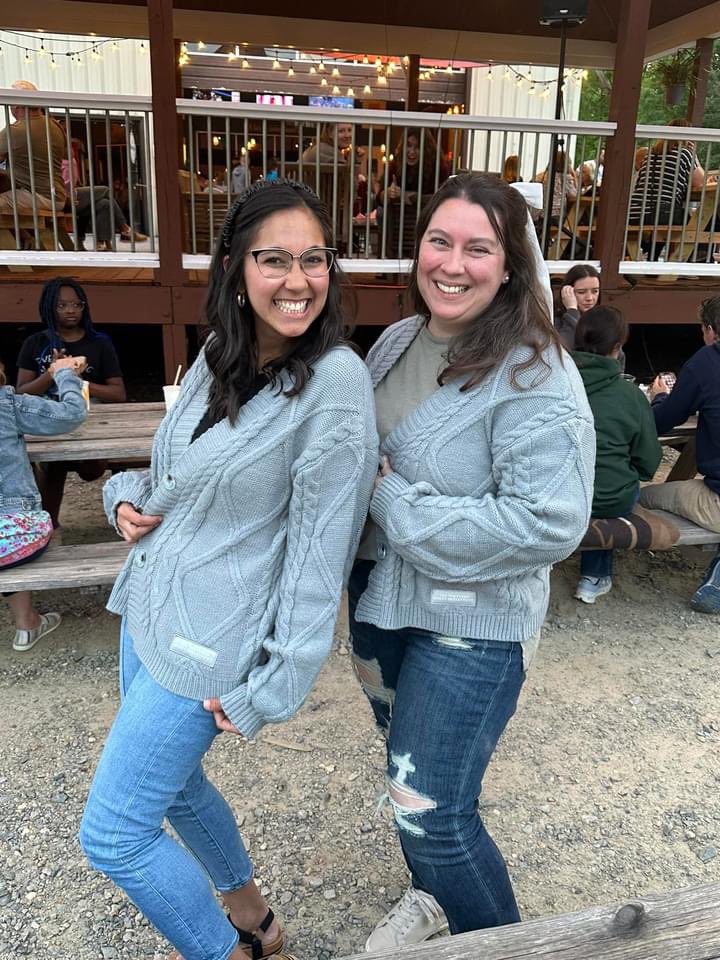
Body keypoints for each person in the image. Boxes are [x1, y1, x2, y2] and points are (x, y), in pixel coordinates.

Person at [78, 179, 378, 960]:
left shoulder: (336, 384)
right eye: (274, 259)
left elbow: (321, 553)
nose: (298, 280)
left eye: (314, 260)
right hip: (147, 606)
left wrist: (276, 685)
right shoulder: (221, 353)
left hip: (208, 645)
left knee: (113, 834)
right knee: (174, 790)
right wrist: (123, 500)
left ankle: (227, 951)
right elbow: (172, 473)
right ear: (236, 269)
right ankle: (257, 923)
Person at [348, 173, 595, 951]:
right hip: (380, 604)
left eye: (478, 248)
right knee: (412, 777)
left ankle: (498, 942)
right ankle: (432, 900)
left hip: (472, 627)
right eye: (439, 241)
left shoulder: (536, 374)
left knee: (430, 809)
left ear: (512, 263)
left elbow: (549, 522)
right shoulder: (398, 340)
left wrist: (395, 505)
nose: (452, 264)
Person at [16, 277, 126, 527]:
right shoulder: (36, 343)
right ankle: (48, 526)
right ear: (49, 308)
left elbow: (118, 393)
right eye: (62, 305)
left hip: (88, 416)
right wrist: (54, 372)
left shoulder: (98, 343)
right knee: (54, 462)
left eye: (77, 305)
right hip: (49, 418)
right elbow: (22, 392)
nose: (70, 311)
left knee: (90, 467)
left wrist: (77, 382)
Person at [572, 306, 662, 603]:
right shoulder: (631, 396)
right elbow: (648, 462)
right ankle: (593, 576)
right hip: (609, 498)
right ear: (617, 347)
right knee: (612, 485)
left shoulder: (553, 384)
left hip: (554, 491)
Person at [639, 296, 720, 614]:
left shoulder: (706, 362)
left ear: (710, 330)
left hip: (716, 502)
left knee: (647, 497)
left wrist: (659, 398)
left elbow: (664, 421)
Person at [1, 354, 87, 650]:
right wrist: (65, 374)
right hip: (13, 537)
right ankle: (27, 625)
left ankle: (27, 623)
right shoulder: (6, 404)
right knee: (11, 533)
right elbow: (72, 414)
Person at [629, 119, 705, 256]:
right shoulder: (684, 154)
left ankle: (652, 258)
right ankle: (694, 260)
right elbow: (701, 182)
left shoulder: (649, 154)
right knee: (698, 223)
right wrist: (695, 156)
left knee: (672, 219)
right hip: (661, 214)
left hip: (635, 211)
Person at [0, 80, 66, 212]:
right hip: (57, 195)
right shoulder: (55, 126)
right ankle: (25, 234)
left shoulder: (16, 130)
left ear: (15, 106)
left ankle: (13, 234)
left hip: (37, 195)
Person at [379, 128, 449, 207]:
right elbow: (379, 198)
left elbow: (443, 199)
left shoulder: (438, 167)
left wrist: (410, 197)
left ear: (427, 149)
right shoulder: (395, 164)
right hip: (397, 217)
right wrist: (387, 193)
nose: (412, 152)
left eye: (417, 147)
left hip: (428, 217)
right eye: (408, 145)